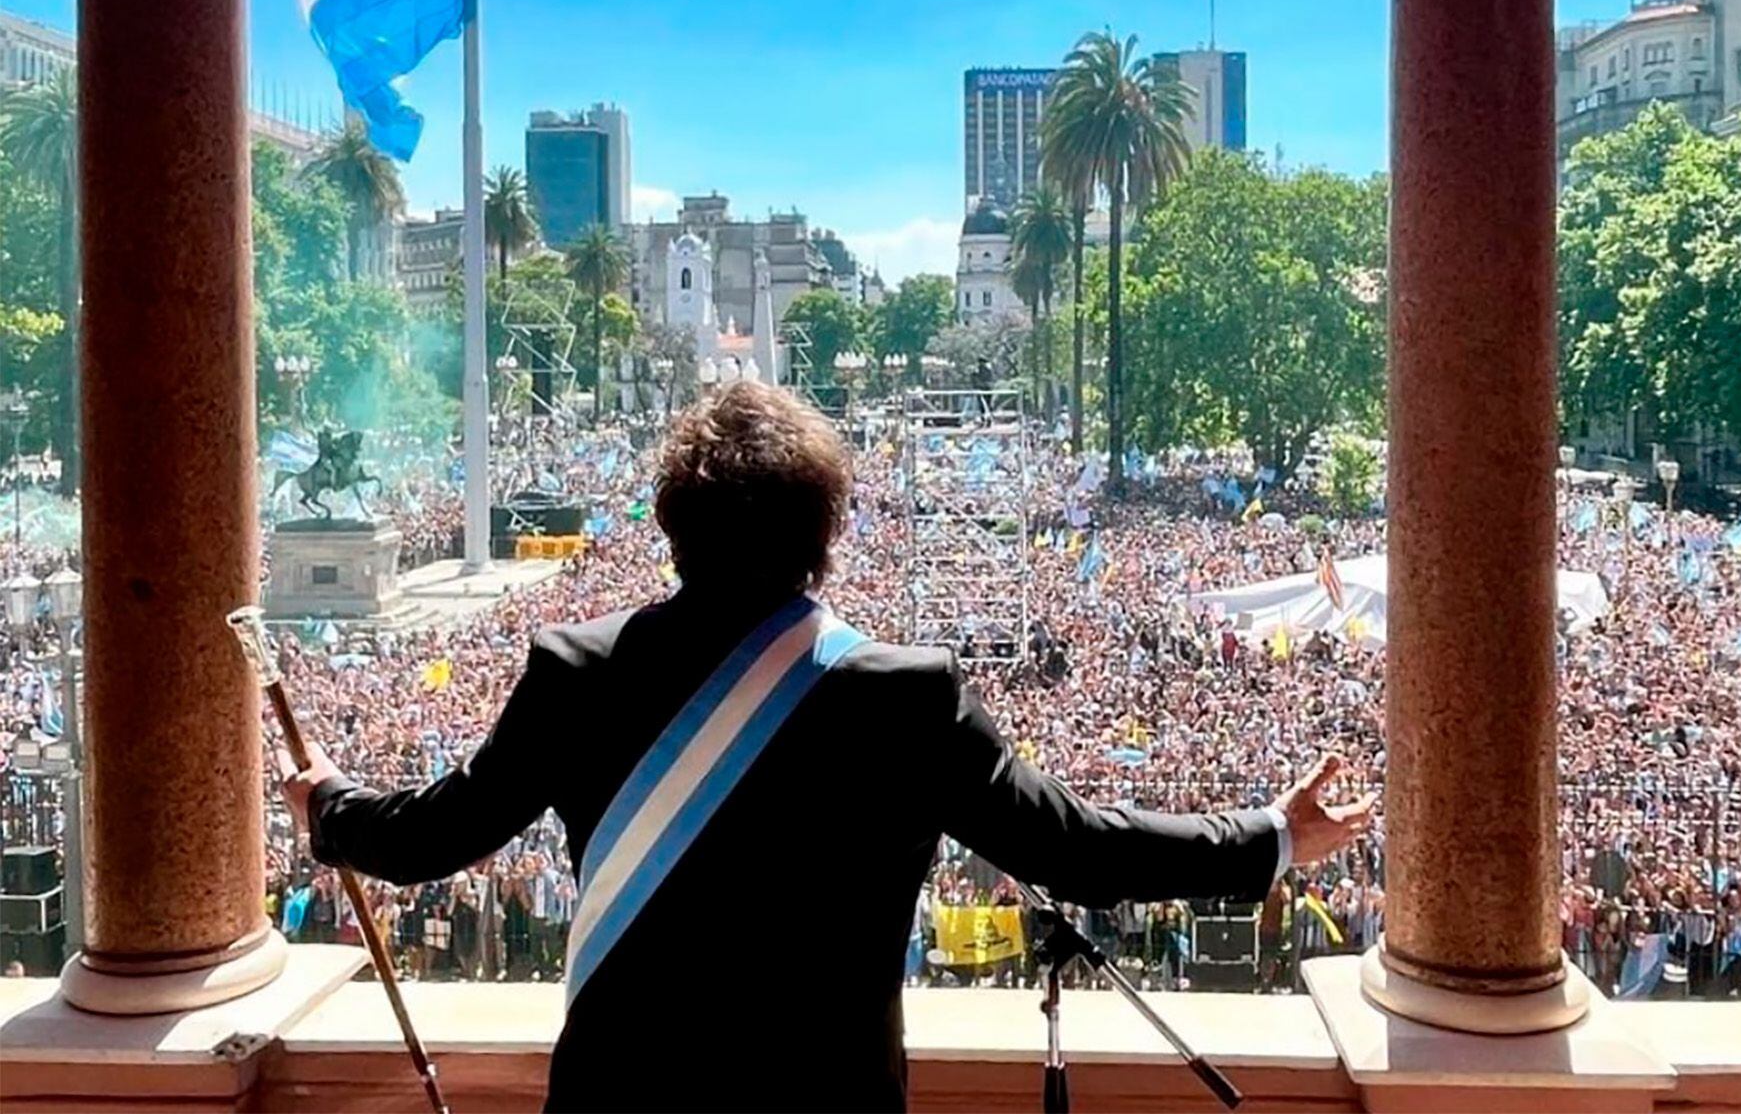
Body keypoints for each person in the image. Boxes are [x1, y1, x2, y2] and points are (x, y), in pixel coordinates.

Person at [283, 383, 1374, 1113]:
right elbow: (1080, 849)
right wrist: (1272, 835)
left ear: (670, 523)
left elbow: (433, 835)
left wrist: (331, 803)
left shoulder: (579, 671)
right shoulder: (904, 698)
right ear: (827, 532)